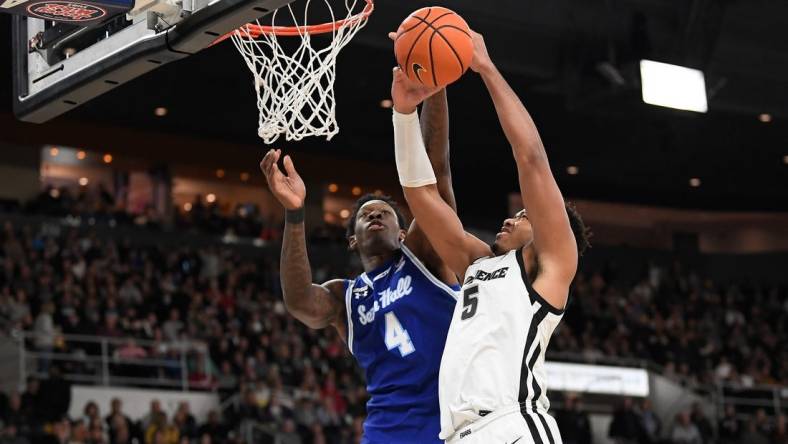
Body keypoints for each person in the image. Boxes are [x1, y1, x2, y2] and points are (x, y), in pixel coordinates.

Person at [390, 30, 589, 443]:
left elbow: (530, 158)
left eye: (524, 215)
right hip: (460, 434)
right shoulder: (477, 262)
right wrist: (405, 114)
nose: (512, 219)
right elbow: (420, 195)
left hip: (512, 423)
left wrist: (485, 67)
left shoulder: (550, 264)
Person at [259, 89, 459, 442]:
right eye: (366, 215)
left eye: (385, 212)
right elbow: (300, 301)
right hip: (385, 432)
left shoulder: (424, 257)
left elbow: (435, 173)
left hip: (454, 426)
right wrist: (294, 212)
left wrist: (436, 83)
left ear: (403, 234)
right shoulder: (346, 297)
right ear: (352, 240)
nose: (377, 213)